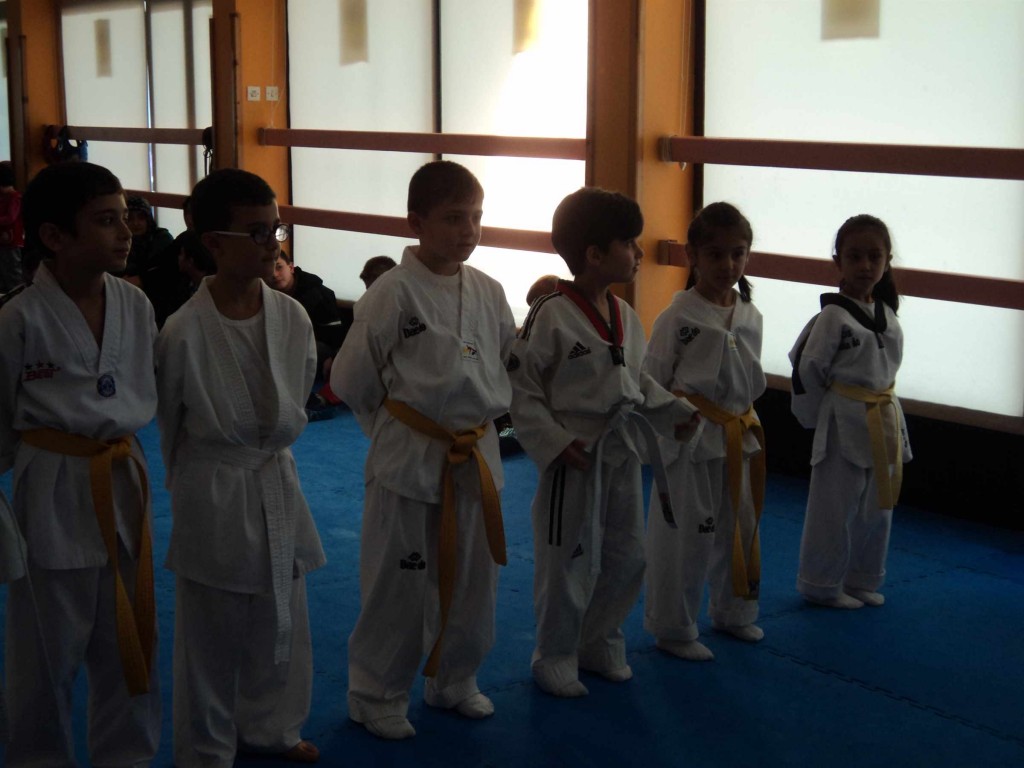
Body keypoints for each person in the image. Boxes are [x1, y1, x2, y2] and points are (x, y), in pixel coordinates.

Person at [331, 160, 516, 740]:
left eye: (476, 217)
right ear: (416, 222)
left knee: (474, 581)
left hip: (476, 453)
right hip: (410, 457)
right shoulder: (391, 293)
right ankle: (376, 694)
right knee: (398, 584)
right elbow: (351, 381)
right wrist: (394, 432)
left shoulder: (489, 291)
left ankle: (455, 678)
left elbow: (505, 362)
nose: (469, 230)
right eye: (454, 218)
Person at [156, 168, 325, 765]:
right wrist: (193, 488)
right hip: (214, 483)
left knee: (284, 611)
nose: (271, 244)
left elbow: (300, 391)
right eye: (256, 232)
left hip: (274, 474)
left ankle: (273, 726)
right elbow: (171, 426)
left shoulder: (292, 317)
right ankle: (206, 748)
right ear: (213, 242)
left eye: (275, 229)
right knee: (211, 628)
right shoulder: (181, 331)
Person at [509, 187, 701, 698]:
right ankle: (554, 655)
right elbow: (521, 389)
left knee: (627, 555)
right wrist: (552, 442)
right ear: (594, 254)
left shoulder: (626, 316)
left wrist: (674, 412)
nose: (638, 254)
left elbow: (637, 383)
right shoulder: (549, 313)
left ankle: (599, 641)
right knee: (566, 560)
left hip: (621, 451)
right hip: (571, 455)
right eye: (629, 244)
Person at [0, 161, 161, 766]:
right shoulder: (18, 317)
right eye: (104, 221)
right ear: (53, 236)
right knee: (47, 648)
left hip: (122, 474)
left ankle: (128, 756)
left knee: (131, 636)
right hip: (54, 484)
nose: (125, 232)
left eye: (125, 218)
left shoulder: (135, 304)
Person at [643, 202, 766, 662]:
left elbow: (749, 381)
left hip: (737, 433)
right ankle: (673, 626)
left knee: (740, 524)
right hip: (690, 438)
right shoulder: (676, 317)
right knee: (687, 537)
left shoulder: (750, 315)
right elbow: (651, 381)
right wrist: (666, 434)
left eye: (738, 253)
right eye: (715, 254)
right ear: (692, 255)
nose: (728, 264)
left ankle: (734, 610)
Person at [790, 214, 911, 609]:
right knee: (834, 507)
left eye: (874, 257)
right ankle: (821, 583)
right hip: (842, 419)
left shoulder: (887, 313)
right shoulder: (833, 316)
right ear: (837, 262)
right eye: (854, 256)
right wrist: (815, 418)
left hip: (883, 414)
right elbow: (806, 369)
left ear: (887, 261)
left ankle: (862, 578)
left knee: (878, 507)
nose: (865, 265)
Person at [268, 248, 347, 378]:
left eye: (279, 267)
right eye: (270, 270)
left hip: (317, 345)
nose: (274, 274)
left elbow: (336, 336)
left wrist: (334, 357)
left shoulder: (319, 294)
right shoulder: (266, 294)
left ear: (291, 267)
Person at [123, 195, 173, 281]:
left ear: (148, 219)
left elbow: (167, 270)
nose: (136, 223)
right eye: (130, 218)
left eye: (141, 218)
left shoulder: (162, 238)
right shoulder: (121, 241)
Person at [0, 160, 24, 293]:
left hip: (12, 240)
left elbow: (11, 218)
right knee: (3, 268)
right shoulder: (4, 197)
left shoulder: (15, 197)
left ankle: (17, 293)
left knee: (13, 268)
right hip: (3, 240)